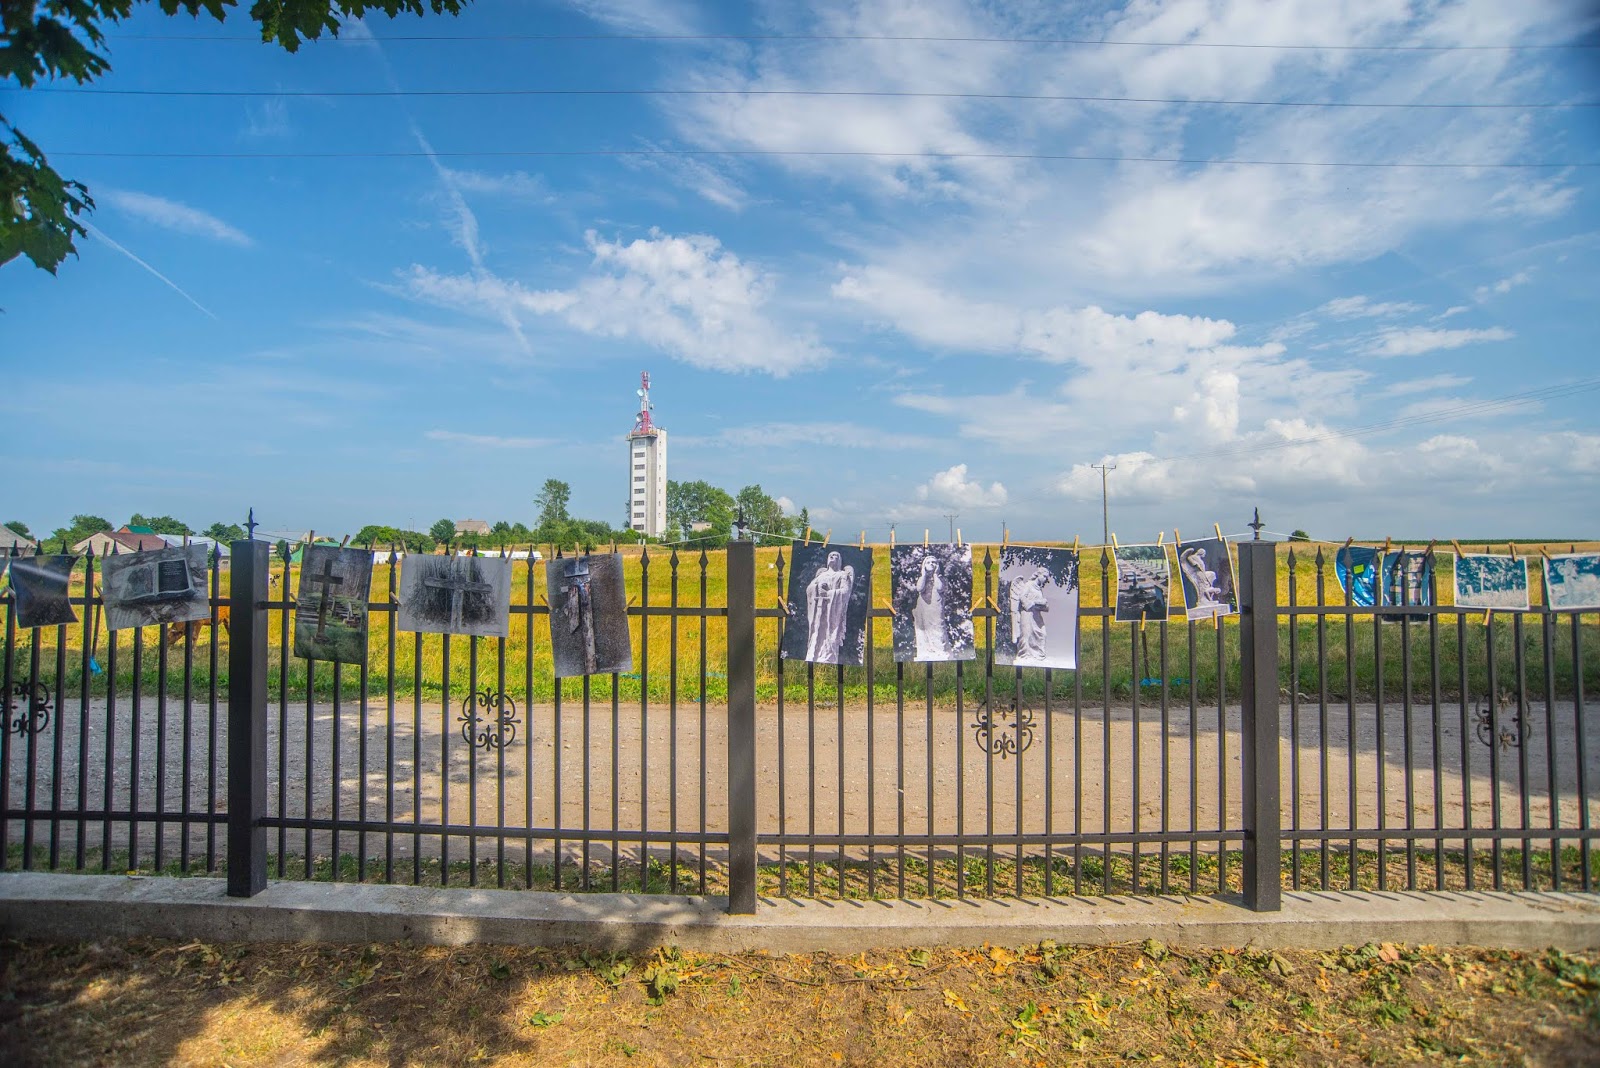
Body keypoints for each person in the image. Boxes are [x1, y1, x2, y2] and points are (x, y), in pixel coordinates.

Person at [805, 550, 855, 663]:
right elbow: (809, 589)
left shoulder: (842, 575)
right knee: (817, 635)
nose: (832, 557)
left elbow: (845, 591)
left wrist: (828, 593)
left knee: (830, 637)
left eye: (836, 555)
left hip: (832, 611)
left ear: (839, 560)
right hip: (819, 612)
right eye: (830, 555)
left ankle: (828, 658)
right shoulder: (821, 575)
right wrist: (817, 587)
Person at [1008, 565, 1051, 661]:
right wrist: (1035, 602)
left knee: (1042, 634)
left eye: (1046, 578)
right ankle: (1024, 656)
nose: (1045, 579)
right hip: (1027, 614)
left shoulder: (1039, 589)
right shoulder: (1029, 585)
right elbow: (1022, 597)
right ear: (1038, 574)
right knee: (1026, 636)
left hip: (1036, 615)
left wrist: (1043, 605)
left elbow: (1041, 603)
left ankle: (1039, 656)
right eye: (1044, 576)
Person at [911, 555, 946, 659]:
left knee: (938, 628)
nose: (931, 564)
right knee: (922, 629)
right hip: (923, 607)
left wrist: (935, 575)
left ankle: (939, 652)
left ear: (937, 565)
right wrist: (924, 575)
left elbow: (940, 587)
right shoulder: (922, 579)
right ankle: (925, 652)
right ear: (924, 565)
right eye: (928, 562)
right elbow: (919, 588)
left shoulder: (940, 578)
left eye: (933, 562)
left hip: (936, 607)